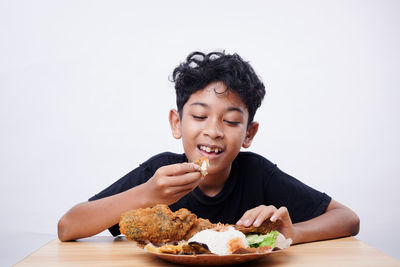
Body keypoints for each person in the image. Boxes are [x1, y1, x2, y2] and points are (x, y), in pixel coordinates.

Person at [58, 51, 360, 243]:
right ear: (177, 123)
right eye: (200, 116)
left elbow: (348, 219)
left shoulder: (257, 173)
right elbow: (68, 227)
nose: (213, 131)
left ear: (249, 134)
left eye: (230, 121)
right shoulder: (158, 173)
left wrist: (295, 233)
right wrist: (146, 193)